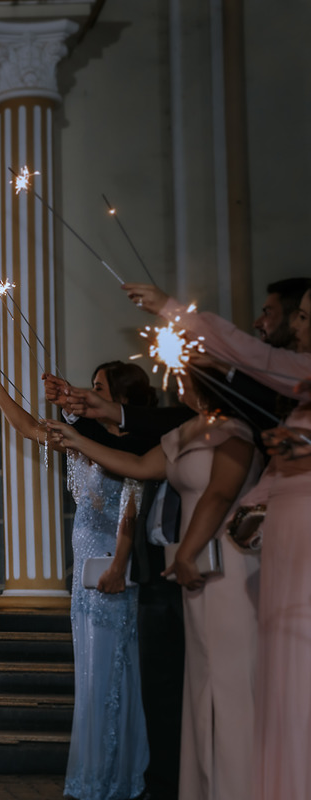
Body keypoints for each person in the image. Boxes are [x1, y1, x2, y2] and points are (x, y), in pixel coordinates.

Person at [125, 281, 311, 800]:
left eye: (301, 317)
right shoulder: (294, 385)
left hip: (295, 548)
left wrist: (169, 308)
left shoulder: (246, 417)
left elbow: (245, 357)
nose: (293, 326)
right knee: (277, 681)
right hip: (279, 542)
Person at [47, 368, 263, 800]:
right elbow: (134, 464)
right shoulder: (185, 432)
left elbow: (220, 495)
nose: (175, 381)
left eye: (185, 376)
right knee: (196, 689)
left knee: (233, 683)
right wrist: (75, 439)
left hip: (229, 568)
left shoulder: (237, 433)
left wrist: (186, 551)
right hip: (187, 573)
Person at [0, 356, 149, 800]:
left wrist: (117, 567)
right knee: (91, 671)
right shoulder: (83, 440)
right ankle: (95, 775)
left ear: (123, 400)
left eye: (99, 387)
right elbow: (32, 429)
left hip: (112, 568)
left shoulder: (134, 446)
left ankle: (116, 777)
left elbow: (130, 509)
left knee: (112, 670)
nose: (89, 393)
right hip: (85, 577)